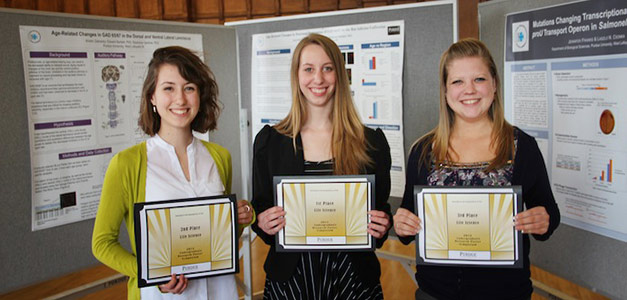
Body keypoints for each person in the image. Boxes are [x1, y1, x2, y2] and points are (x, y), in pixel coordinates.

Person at [393, 38, 560, 300]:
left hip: (506, 294)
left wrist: (543, 220)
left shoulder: (521, 147)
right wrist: (401, 224)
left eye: (479, 79)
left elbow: (550, 215)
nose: (469, 90)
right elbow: (407, 221)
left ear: (494, 84)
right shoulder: (424, 151)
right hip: (435, 293)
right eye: (457, 81)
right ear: (446, 91)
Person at [92, 46, 254, 300]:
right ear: (152, 97)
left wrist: (239, 219)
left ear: (200, 95)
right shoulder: (126, 164)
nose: (180, 99)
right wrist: (151, 275)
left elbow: (222, 242)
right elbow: (102, 243)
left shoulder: (220, 157)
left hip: (220, 292)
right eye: (168, 88)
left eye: (189, 87)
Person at [251, 33, 392, 299]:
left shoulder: (371, 142)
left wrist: (382, 225)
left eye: (327, 68)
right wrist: (262, 222)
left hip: (354, 280)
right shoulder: (270, 142)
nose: (318, 79)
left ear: (339, 74)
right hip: (291, 281)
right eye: (309, 69)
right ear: (297, 76)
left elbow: (381, 212)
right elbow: (261, 208)